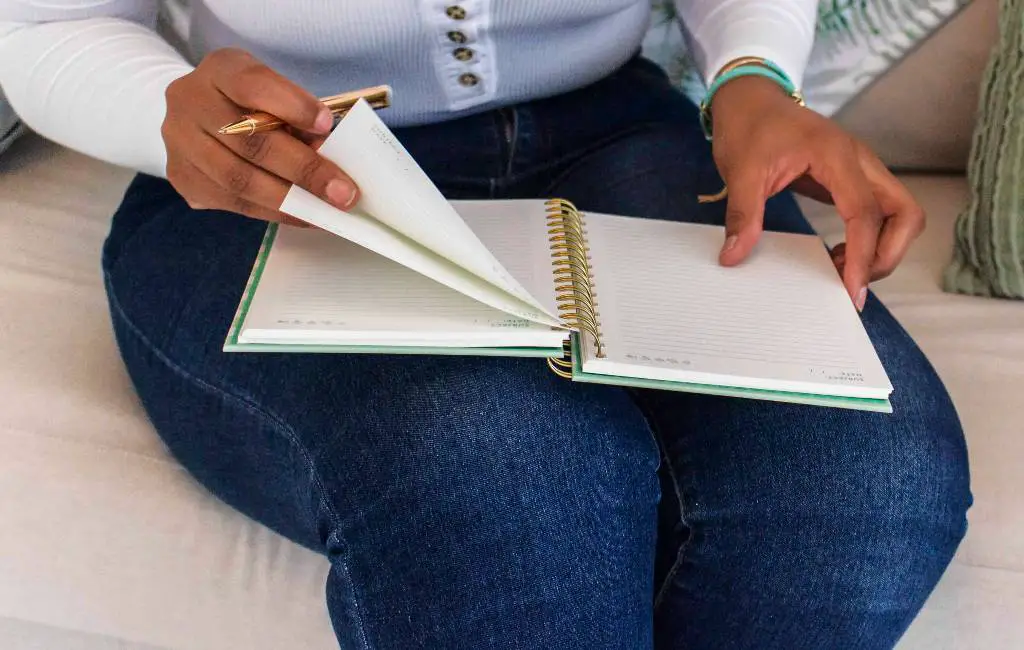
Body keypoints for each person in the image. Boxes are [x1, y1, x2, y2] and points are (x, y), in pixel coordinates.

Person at [0, 1, 971, 648]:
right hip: (278, 166)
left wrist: (754, 76)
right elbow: (51, 20)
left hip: (615, 125)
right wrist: (164, 111)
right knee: (499, 465)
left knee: (865, 478)